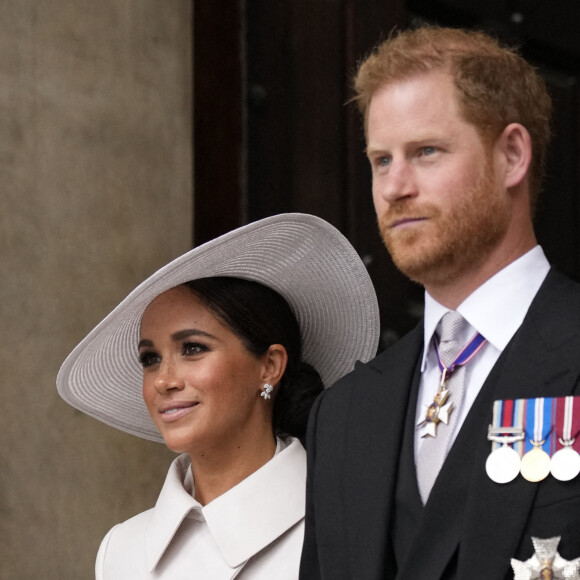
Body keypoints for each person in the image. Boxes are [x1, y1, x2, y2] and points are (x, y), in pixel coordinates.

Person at [300, 26, 580, 580]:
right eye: (381, 160)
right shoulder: (343, 415)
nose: (393, 187)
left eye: (425, 152)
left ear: (512, 155)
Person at [57, 213, 379, 579]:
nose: (163, 380)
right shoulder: (122, 550)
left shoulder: (354, 529)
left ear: (270, 366)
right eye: (150, 358)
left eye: (193, 349)